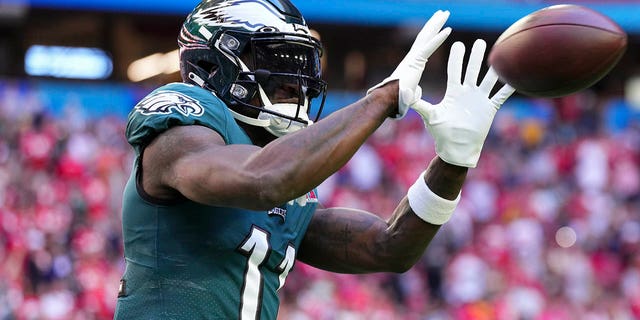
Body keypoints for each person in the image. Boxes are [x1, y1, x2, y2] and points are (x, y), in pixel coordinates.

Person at [113, 0, 515, 318]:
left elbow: (389, 247)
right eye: (276, 63)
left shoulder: (279, 165)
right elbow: (261, 180)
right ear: (211, 65)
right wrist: (381, 98)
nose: (296, 83)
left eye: (302, 66)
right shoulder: (182, 123)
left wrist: (454, 159)